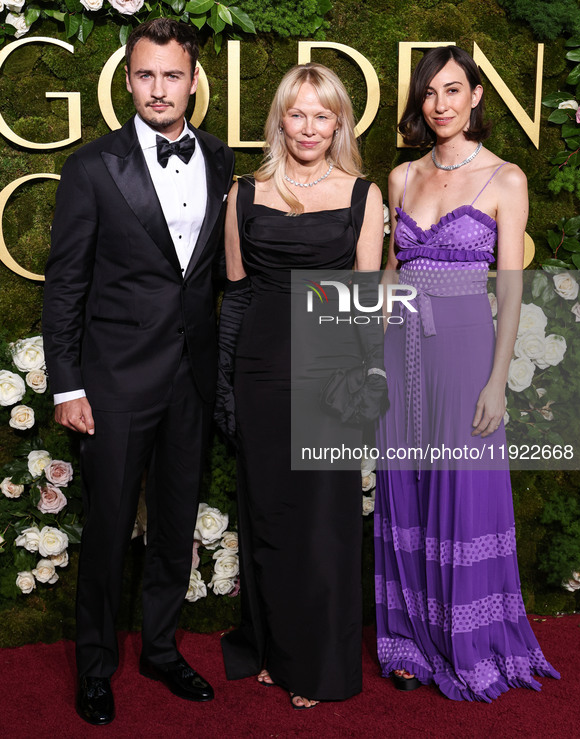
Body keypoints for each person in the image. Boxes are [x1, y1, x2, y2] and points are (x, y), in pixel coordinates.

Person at [42, 18, 234, 725]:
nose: (159, 89)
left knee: (175, 520)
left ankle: (159, 646)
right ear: (128, 79)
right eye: (146, 75)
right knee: (108, 528)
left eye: (172, 75)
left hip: (191, 376)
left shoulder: (218, 158)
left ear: (192, 81)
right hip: (115, 382)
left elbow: (211, 275)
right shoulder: (92, 167)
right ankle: (96, 666)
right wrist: (67, 383)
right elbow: (65, 285)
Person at [374, 45, 560, 701]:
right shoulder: (399, 178)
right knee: (404, 484)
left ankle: (466, 639)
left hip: (463, 348)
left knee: (461, 489)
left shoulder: (506, 178)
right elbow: (392, 270)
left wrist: (494, 379)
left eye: (453, 90)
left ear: (476, 94)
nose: (441, 103)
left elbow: (510, 292)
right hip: (401, 349)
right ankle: (406, 641)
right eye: (429, 93)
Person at [216, 62, 384, 709]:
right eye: (297, 112)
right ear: (279, 119)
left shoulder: (362, 195)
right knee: (271, 518)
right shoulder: (245, 193)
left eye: (322, 114)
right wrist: (228, 389)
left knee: (323, 525)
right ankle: (272, 650)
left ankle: (317, 666)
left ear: (337, 121)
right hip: (259, 372)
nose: (308, 126)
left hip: (329, 379)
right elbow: (234, 296)